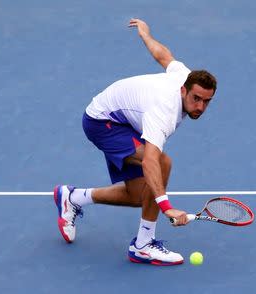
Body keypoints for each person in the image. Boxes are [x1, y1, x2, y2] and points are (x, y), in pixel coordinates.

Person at [53, 18, 217, 266]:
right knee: (162, 163)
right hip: (103, 122)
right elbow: (151, 160)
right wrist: (166, 206)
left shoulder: (183, 76)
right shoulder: (164, 112)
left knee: (139, 195)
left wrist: (146, 34)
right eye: (196, 99)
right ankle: (143, 245)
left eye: (207, 101)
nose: (200, 107)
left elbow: (164, 56)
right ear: (184, 91)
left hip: (127, 119)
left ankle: (73, 198)